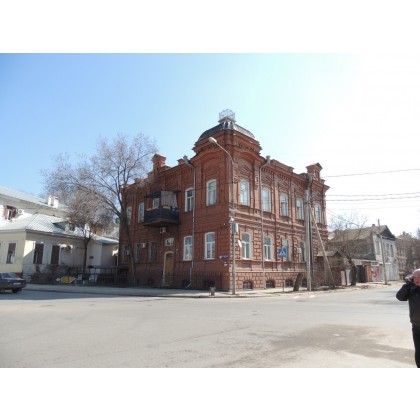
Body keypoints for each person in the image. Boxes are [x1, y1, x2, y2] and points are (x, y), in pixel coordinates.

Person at [396, 268, 420, 368]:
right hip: (417, 326)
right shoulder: (411, 288)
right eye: (415, 277)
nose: (417, 279)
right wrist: (407, 284)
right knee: (419, 351)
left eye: (419, 277)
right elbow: (399, 297)